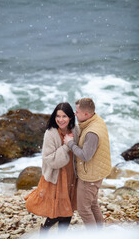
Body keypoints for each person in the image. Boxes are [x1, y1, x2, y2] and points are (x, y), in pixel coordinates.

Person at [25, 102, 79, 233]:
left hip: (71, 174)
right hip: (56, 176)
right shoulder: (50, 133)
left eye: (64, 116)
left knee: (68, 209)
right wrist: (67, 145)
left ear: (71, 117)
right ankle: (45, 229)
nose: (60, 120)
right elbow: (49, 159)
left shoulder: (76, 130)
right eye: (58, 116)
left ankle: (59, 235)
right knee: (59, 210)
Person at [64, 98, 111, 227]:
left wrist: (70, 143)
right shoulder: (97, 120)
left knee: (84, 210)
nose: (75, 114)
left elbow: (85, 156)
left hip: (89, 176)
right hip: (97, 172)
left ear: (86, 114)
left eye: (77, 112)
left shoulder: (91, 133)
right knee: (93, 204)